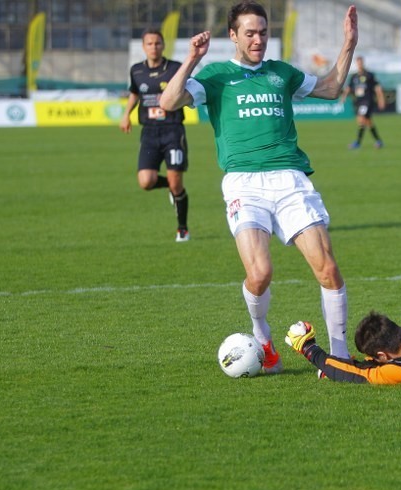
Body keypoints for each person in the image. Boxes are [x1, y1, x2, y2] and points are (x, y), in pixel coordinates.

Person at [159, 1, 358, 373]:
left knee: (328, 268)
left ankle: (340, 357)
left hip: (290, 179)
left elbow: (331, 89)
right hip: (244, 184)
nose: (258, 39)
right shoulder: (216, 76)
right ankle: (262, 337)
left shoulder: (282, 73)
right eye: (250, 33)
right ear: (232, 35)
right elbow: (169, 101)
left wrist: (349, 44)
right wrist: (191, 59)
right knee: (260, 273)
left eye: (263, 32)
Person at [120, 29, 191, 242]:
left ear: (163, 45)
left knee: (176, 182)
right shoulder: (136, 71)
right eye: (150, 44)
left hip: (172, 129)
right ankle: (170, 188)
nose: (154, 47)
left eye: (158, 43)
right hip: (149, 132)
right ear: (144, 47)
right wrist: (126, 115)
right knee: (146, 181)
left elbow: (187, 90)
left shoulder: (175, 69)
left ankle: (182, 229)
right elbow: (135, 94)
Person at [339, 56, 385, 149]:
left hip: (367, 101)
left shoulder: (369, 75)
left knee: (361, 119)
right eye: (358, 63)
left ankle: (357, 143)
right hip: (358, 102)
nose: (359, 64)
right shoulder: (354, 76)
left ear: (363, 63)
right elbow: (349, 88)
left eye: (361, 62)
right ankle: (379, 141)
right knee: (368, 122)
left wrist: (381, 99)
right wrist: (343, 96)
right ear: (357, 64)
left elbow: (377, 88)